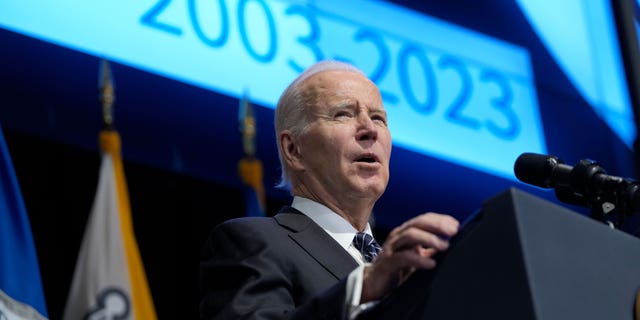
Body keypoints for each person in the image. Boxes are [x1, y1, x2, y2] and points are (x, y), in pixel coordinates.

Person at [199, 60, 460, 319]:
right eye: (343, 114)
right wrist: (364, 288)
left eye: (378, 118)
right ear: (293, 149)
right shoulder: (253, 242)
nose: (370, 130)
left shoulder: (407, 269)